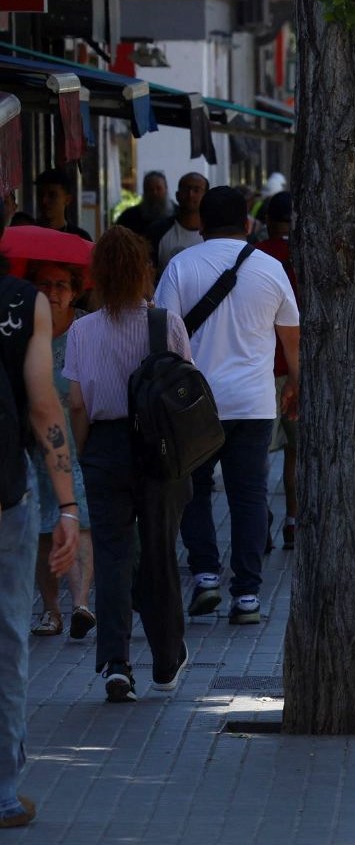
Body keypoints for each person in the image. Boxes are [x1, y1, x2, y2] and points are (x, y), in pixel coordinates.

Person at [155, 187, 300, 626]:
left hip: (193, 404)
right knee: (249, 494)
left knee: (193, 490)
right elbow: (292, 336)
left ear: (200, 221)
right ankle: (249, 595)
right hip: (254, 402)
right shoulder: (270, 268)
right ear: (247, 223)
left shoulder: (181, 266)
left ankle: (204, 576)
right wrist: (295, 384)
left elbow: (162, 338)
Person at [63, 227, 194, 704]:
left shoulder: (81, 330)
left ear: (97, 275)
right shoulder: (167, 323)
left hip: (105, 447)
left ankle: (116, 665)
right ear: (144, 272)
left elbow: (77, 404)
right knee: (159, 554)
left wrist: (83, 452)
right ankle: (166, 659)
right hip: (158, 450)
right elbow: (184, 388)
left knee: (115, 557)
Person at [0, 222, 82, 826]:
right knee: (7, 641)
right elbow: (43, 404)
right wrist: (68, 506)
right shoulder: (19, 302)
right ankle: (2, 791)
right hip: (5, 494)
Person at [26, 262, 94, 639]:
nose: (53, 292)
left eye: (62, 285)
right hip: (36, 445)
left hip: (80, 441)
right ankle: (51, 612)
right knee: (41, 529)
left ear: (76, 290)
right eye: (44, 284)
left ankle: (81, 605)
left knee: (81, 520)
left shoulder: (86, 328)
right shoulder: (24, 327)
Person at [257, 192, 300, 550]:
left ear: (268, 219)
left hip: (261, 369)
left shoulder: (254, 256)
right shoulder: (306, 256)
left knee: (259, 452)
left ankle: (260, 519)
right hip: (298, 368)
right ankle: (293, 520)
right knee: (296, 451)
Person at [153, 172, 211, 273]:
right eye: (186, 189)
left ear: (206, 196)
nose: (190, 194)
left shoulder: (217, 233)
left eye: (196, 190)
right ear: (177, 195)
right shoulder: (157, 232)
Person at [33, 169, 92, 242]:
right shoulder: (29, 234)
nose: (44, 201)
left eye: (52, 195)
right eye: (40, 195)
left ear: (67, 199)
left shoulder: (80, 239)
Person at [113, 170, 172, 238]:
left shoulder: (178, 215)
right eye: (150, 189)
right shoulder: (128, 217)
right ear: (144, 191)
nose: (154, 193)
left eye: (158, 188)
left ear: (166, 189)